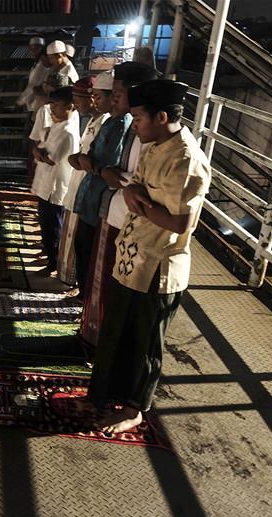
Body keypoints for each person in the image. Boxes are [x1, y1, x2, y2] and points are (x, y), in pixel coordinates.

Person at [90, 79, 211, 433]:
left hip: (159, 264)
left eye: (139, 118)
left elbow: (176, 220)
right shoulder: (155, 145)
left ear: (161, 116)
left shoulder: (186, 159)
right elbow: (134, 191)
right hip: (132, 254)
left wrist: (140, 201)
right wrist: (140, 199)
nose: (135, 125)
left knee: (146, 341)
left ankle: (134, 408)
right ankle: (104, 394)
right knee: (118, 330)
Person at [80, 62, 158, 347]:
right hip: (113, 214)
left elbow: (136, 182)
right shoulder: (130, 127)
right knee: (100, 283)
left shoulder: (148, 136)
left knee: (115, 292)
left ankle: (103, 347)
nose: (113, 100)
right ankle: (95, 340)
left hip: (128, 222)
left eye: (117, 94)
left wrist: (106, 173)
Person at [59, 74, 111, 286]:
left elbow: (93, 159)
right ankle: (73, 281)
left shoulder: (106, 121)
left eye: (79, 100)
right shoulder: (93, 119)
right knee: (75, 238)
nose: (76, 104)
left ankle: (80, 288)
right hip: (80, 183)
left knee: (84, 243)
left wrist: (80, 159)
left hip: (89, 188)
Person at [30, 86, 81, 273]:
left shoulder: (68, 132)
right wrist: (38, 152)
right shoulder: (56, 126)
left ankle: (54, 262)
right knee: (46, 223)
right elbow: (39, 150)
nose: (52, 109)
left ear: (71, 107)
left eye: (57, 105)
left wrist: (38, 152)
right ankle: (50, 257)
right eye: (52, 104)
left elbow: (48, 157)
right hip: (45, 184)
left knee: (53, 227)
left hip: (55, 187)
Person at [16, 36, 48, 113]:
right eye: (31, 48)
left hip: (36, 105)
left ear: (42, 49)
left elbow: (33, 85)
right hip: (34, 104)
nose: (33, 51)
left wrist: (20, 101)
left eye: (36, 48)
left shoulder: (42, 65)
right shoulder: (37, 63)